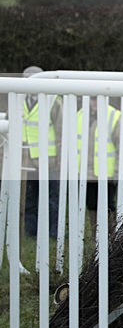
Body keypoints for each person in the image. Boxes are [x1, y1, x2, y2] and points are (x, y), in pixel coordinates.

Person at [21, 66, 61, 238]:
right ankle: (31, 232)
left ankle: (53, 232)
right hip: (27, 160)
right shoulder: (19, 100)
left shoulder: (53, 102)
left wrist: (60, 158)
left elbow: (61, 132)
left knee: (52, 198)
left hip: (50, 159)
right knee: (29, 198)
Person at [76, 96, 122, 212]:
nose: (95, 102)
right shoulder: (80, 115)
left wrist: (118, 172)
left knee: (107, 206)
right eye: (93, 99)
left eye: (97, 99)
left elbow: (122, 148)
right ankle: (95, 225)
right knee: (91, 205)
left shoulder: (113, 116)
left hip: (107, 174)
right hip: (86, 173)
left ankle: (110, 225)